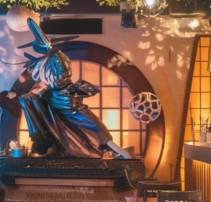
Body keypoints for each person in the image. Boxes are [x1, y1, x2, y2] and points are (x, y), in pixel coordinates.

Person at [18, 19, 132, 159]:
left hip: (73, 109)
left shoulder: (60, 86)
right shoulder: (47, 92)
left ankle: (122, 153)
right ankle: (123, 154)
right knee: (100, 133)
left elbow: (80, 91)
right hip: (65, 113)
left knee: (99, 132)